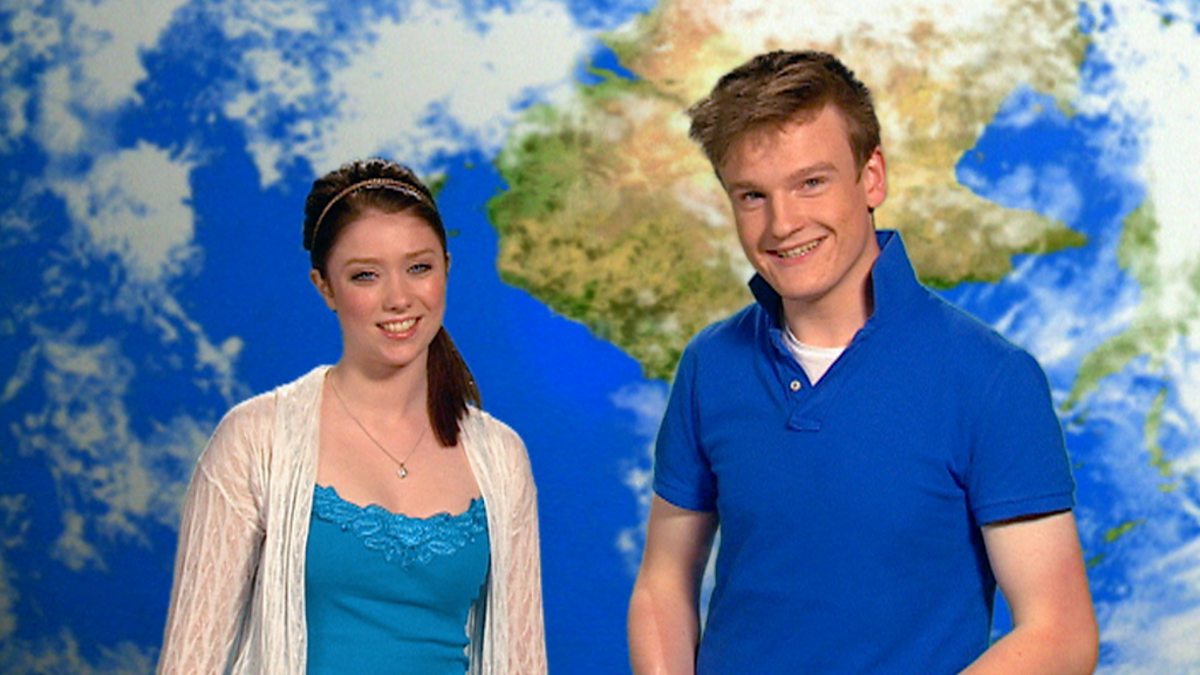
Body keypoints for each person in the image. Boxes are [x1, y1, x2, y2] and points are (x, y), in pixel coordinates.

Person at [627, 50, 1098, 673]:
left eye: (811, 182)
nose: (783, 223)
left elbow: (1060, 633)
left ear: (871, 177)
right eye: (753, 195)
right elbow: (662, 584)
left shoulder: (990, 378)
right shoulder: (709, 366)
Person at [158, 158, 547, 674]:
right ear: (325, 287)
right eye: (366, 275)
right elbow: (189, 663)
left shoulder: (501, 457)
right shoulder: (255, 441)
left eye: (419, 268)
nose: (399, 298)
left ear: (447, 268)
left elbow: (523, 662)